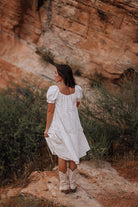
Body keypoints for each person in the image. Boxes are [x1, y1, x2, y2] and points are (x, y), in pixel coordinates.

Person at [44, 64, 90, 194]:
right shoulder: (77, 89)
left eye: (56, 73)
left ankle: (64, 186)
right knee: (73, 153)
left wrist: (47, 128)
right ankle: (73, 184)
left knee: (62, 155)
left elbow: (50, 111)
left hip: (60, 126)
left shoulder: (54, 90)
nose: (54, 75)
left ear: (62, 75)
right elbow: (77, 104)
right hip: (74, 126)